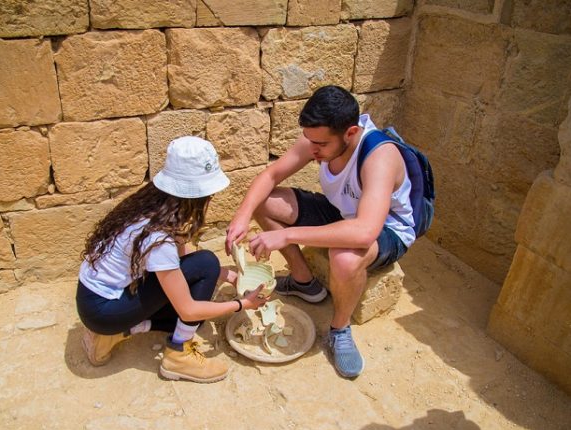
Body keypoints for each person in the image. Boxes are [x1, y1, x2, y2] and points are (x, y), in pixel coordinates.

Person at [225, 85, 415, 378]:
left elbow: (364, 231)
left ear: (350, 133)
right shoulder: (319, 138)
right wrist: (242, 215)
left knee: (345, 258)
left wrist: (286, 235)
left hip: (385, 229)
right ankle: (304, 282)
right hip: (341, 212)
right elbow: (271, 174)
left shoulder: (379, 157)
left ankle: (340, 328)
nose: (312, 150)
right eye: (310, 140)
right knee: (264, 201)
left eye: (321, 145)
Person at [76, 136, 267, 383]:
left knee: (195, 307)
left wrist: (224, 274)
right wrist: (242, 304)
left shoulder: (155, 206)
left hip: (93, 299)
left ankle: (119, 332)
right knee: (199, 286)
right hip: (104, 310)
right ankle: (178, 356)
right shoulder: (157, 237)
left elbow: (179, 260)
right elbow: (188, 306)